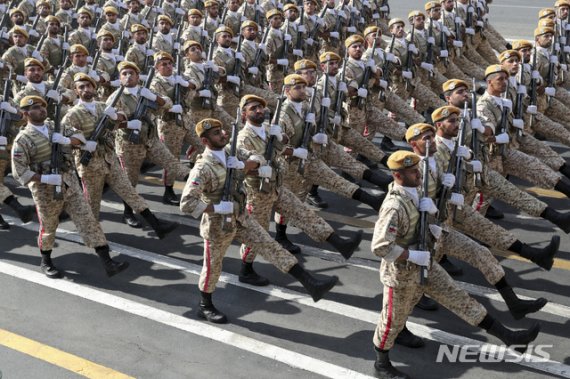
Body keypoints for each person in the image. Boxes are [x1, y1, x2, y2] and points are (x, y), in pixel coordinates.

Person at [371, 150, 540, 378]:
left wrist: (433, 221)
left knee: (459, 298)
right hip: (401, 275)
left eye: (417, 169)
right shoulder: (394, 206)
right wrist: (411, 256)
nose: (418, 173)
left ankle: (509, 337)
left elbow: (420, 224)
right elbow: (380, 246)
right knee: (392, 320)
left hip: (426, 265)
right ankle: (381, 365)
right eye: (412, 171)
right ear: (398, 175)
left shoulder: (415, 192)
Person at [180, 118, 339, 324]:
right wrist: (217, 208)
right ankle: (205, 305)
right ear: (205, 141)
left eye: (222, 130)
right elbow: (187, 203)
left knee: (270, 245)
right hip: (218, 225)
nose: (223, 134)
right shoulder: (202, 168)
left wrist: (244, 164)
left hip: (241, 217)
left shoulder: (231, 151)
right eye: (216, 133)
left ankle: (310, 283)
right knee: (213, 267)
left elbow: (259, 158)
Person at [11, 95, 129, 279]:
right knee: (49, 227)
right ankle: (46, 260)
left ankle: (108, 262)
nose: (41, 109)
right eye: (35, 108)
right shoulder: (23, 139)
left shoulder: (55, 126)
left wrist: (67, 140)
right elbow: (20, 171)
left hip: (70, 183)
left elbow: (79, 137)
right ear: (26, 113)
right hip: (45, 190)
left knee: (88, 219)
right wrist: (45, 178)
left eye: (42, 106)